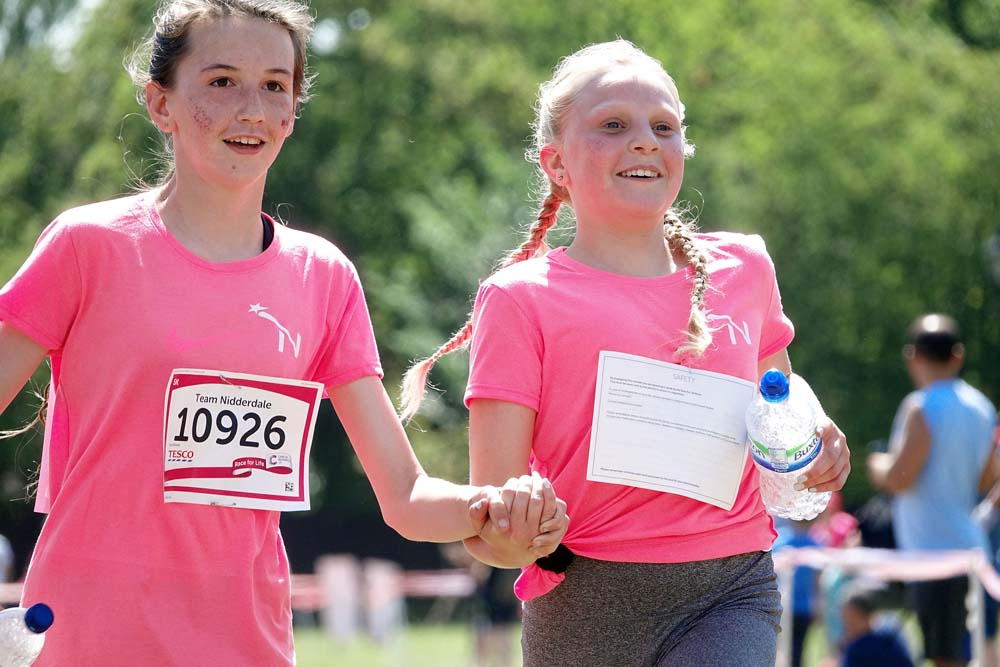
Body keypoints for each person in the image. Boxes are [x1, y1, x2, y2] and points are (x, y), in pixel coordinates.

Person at [0, 2, 567, 665]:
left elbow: (407, 497)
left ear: (293, 111)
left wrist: (498, 506)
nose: (252, 108)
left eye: (275, 85)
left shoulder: (323, 276)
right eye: (221, 82)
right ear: (161, 103)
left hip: (250, 646)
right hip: (83, 641)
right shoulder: (85, 246)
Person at [401, 39, 851, 666]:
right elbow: (492, 526)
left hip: (732, 589)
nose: (645, 140)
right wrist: (518, 530)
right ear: (555, 163)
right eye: (613, 125)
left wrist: (818, 444)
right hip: (583, 602)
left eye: (663, 127)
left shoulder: (745, 267)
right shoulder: (517, 299)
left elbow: (781, 408)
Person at [868, 313, 999, 667]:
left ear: (913, 355)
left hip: (934, 555)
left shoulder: (921, 406)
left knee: (945, 659)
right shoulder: (983, 408)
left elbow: (900, 477)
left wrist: (877, 465)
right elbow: (987, 481)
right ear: (958, 355)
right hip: (974, 550)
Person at [772, 519, 821, 667]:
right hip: (795, 607)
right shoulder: (814, 545)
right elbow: (817, 582)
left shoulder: (780, 541)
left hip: (787, 608)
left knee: (784, 651)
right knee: (795, 653)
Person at [837, 584, 915, 667]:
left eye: (851, 619)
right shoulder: (890, 638)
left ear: (866, 616)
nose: (847, 625)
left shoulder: (856, 650)